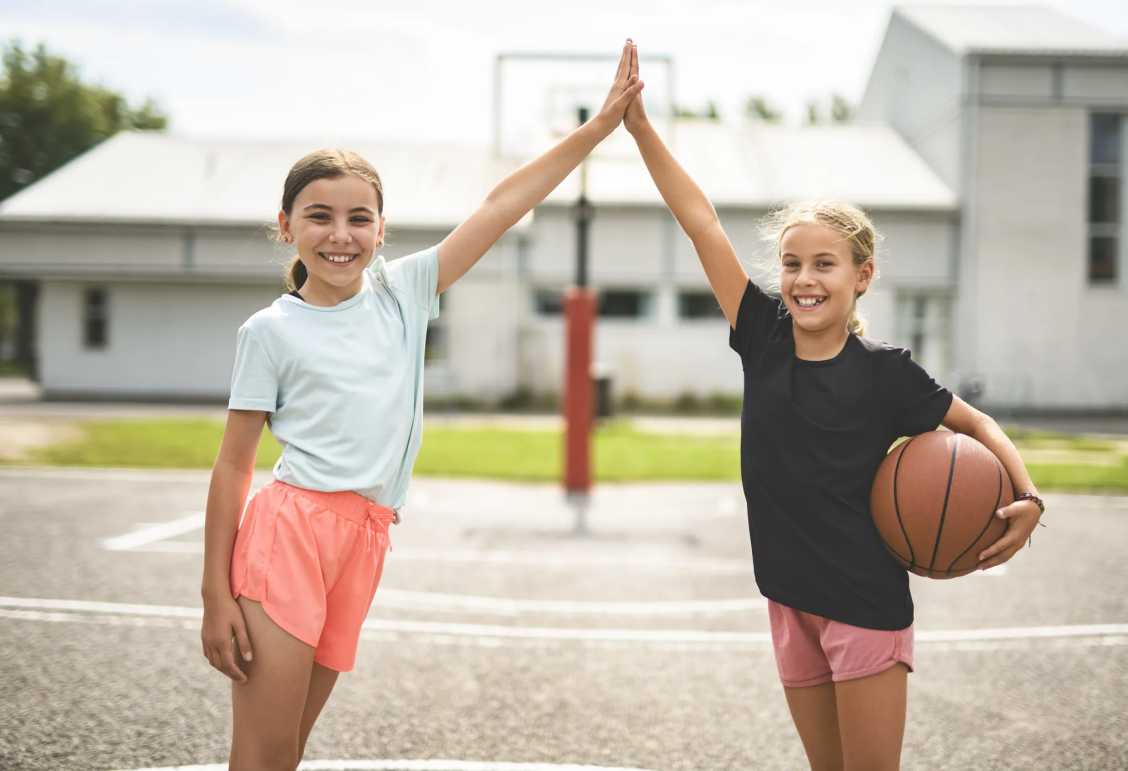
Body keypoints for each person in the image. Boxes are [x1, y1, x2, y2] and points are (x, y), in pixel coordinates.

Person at [199, 41, 643, 771]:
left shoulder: (403, 293)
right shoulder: (270, 331)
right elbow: (232, 468)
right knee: (263, 753)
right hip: (290, 535)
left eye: (358, 218)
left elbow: (503, 205)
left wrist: (597, 131)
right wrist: (214, 595)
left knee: (290, 750)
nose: (340, 235)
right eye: (319, 216)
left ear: (381, 228)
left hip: (365, 537)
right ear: (286, 226)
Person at [620, 44, 1044, 771]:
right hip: (788, 596)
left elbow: (976, 424)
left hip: (863, 602)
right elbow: (700, 222)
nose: (804, 278)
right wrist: (638, 127)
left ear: (862, 276)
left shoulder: (886, 375)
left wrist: (1028, 494)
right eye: (791, 263)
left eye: (824, 264)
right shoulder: (762, 337)